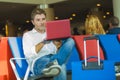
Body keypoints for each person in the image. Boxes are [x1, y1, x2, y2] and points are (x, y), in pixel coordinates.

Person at [22, 8, 75, 80]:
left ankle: (54, 63)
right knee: (61, 66)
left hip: (53, 57)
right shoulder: (28, 35)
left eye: (43, 19)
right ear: (33, 22)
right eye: (38, 20)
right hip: (39, 62)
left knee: (70, 41)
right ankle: (55, 63)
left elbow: (58, 51)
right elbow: (29, 54)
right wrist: (43, 42)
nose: (41, 22)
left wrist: (58, 45)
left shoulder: (51, 32)